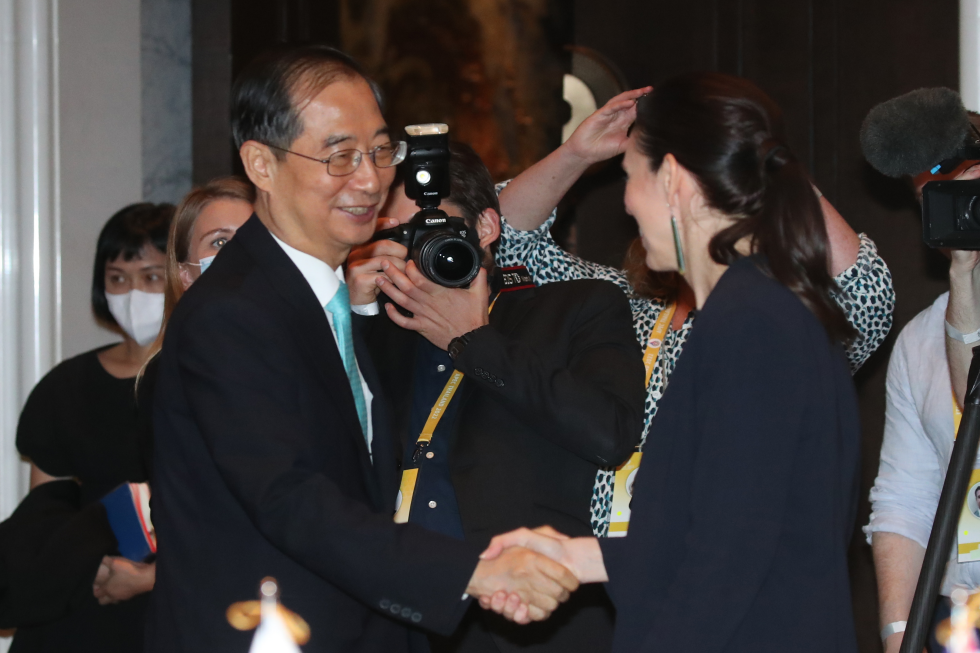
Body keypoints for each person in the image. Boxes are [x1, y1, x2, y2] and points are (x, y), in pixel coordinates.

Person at [147, 45, 577, 653]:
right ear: (261, 165)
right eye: (340, 156)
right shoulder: (231, 314)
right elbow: (289, 497)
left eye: (380, 151)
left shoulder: (330, 301)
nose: (371, 180)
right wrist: (471, 572)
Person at [483, 71, 864, 653]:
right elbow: (718, 530)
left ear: (674, 179)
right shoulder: (754, 310)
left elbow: (724, 568)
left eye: (631, 178)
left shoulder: (754, 323)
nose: (628, 205)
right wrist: (573, 555)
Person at [346, 142, 645, 653]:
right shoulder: (378, 331)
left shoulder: (578, 307)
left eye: (433, 229)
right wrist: (354, 310)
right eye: (396, 235)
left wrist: (475, 339)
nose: (417, 251)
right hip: (394, 617)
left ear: (486, 227)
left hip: (524, 615)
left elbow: (608, 434)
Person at [3, 202, 173, 652]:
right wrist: (87, 568)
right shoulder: (66, 387)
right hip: (79, 605)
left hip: (175, 602)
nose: (133, 292)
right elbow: (45, 515)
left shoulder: (209, 378)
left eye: (151, 276)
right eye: (118, 278)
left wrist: (149, 578)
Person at [866, 149, 980, 653]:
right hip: (960, 616)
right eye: (934, 198)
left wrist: (964, 281)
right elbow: (903, 501)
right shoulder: (919, 340)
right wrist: (896, 636)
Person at [135, 176, 256, 480]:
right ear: (185, 275)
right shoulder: (173, 372)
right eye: (219, 242)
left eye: (254, 238)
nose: (239, 253)